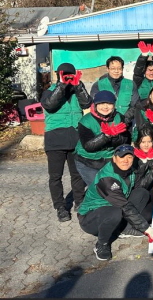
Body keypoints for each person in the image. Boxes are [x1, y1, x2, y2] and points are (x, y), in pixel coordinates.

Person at [77, 144, 153, 261]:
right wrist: (145, 227)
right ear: (114, 158)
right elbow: (124, 205)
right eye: (122, 157)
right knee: (115, 212)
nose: (126, 160)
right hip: (91, 217)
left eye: (130, 157)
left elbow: (138, 187)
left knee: (142, 193)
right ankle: (102, 244)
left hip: (116, 208)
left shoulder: (130, 171)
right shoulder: (107, 178)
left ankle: (124, 229)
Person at [41, 62, 91, 222]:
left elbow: (87, 104)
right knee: (55, 176)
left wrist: (79, 85)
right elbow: (50, 105)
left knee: (77, 174)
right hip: (55, 139)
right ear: (58, 75)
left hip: (76, 138)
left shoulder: (77, 91)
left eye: (70, 74)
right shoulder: (48, 92)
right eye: (64, 74)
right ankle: (60, 207)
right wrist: (62, 85)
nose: (68, 77)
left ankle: (80, 202)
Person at [75, 90, 131, 186]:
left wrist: (116, 138)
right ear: (95, 105)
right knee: (98, 188)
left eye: (109, 103)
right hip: (88, 161)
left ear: (114, 105)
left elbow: (126, 139)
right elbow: (88, 146)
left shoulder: (119, 117)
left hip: (109, 160)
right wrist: (106, 136)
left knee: (114, 187)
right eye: (101, 103)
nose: (105, 107)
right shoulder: (85, 121)